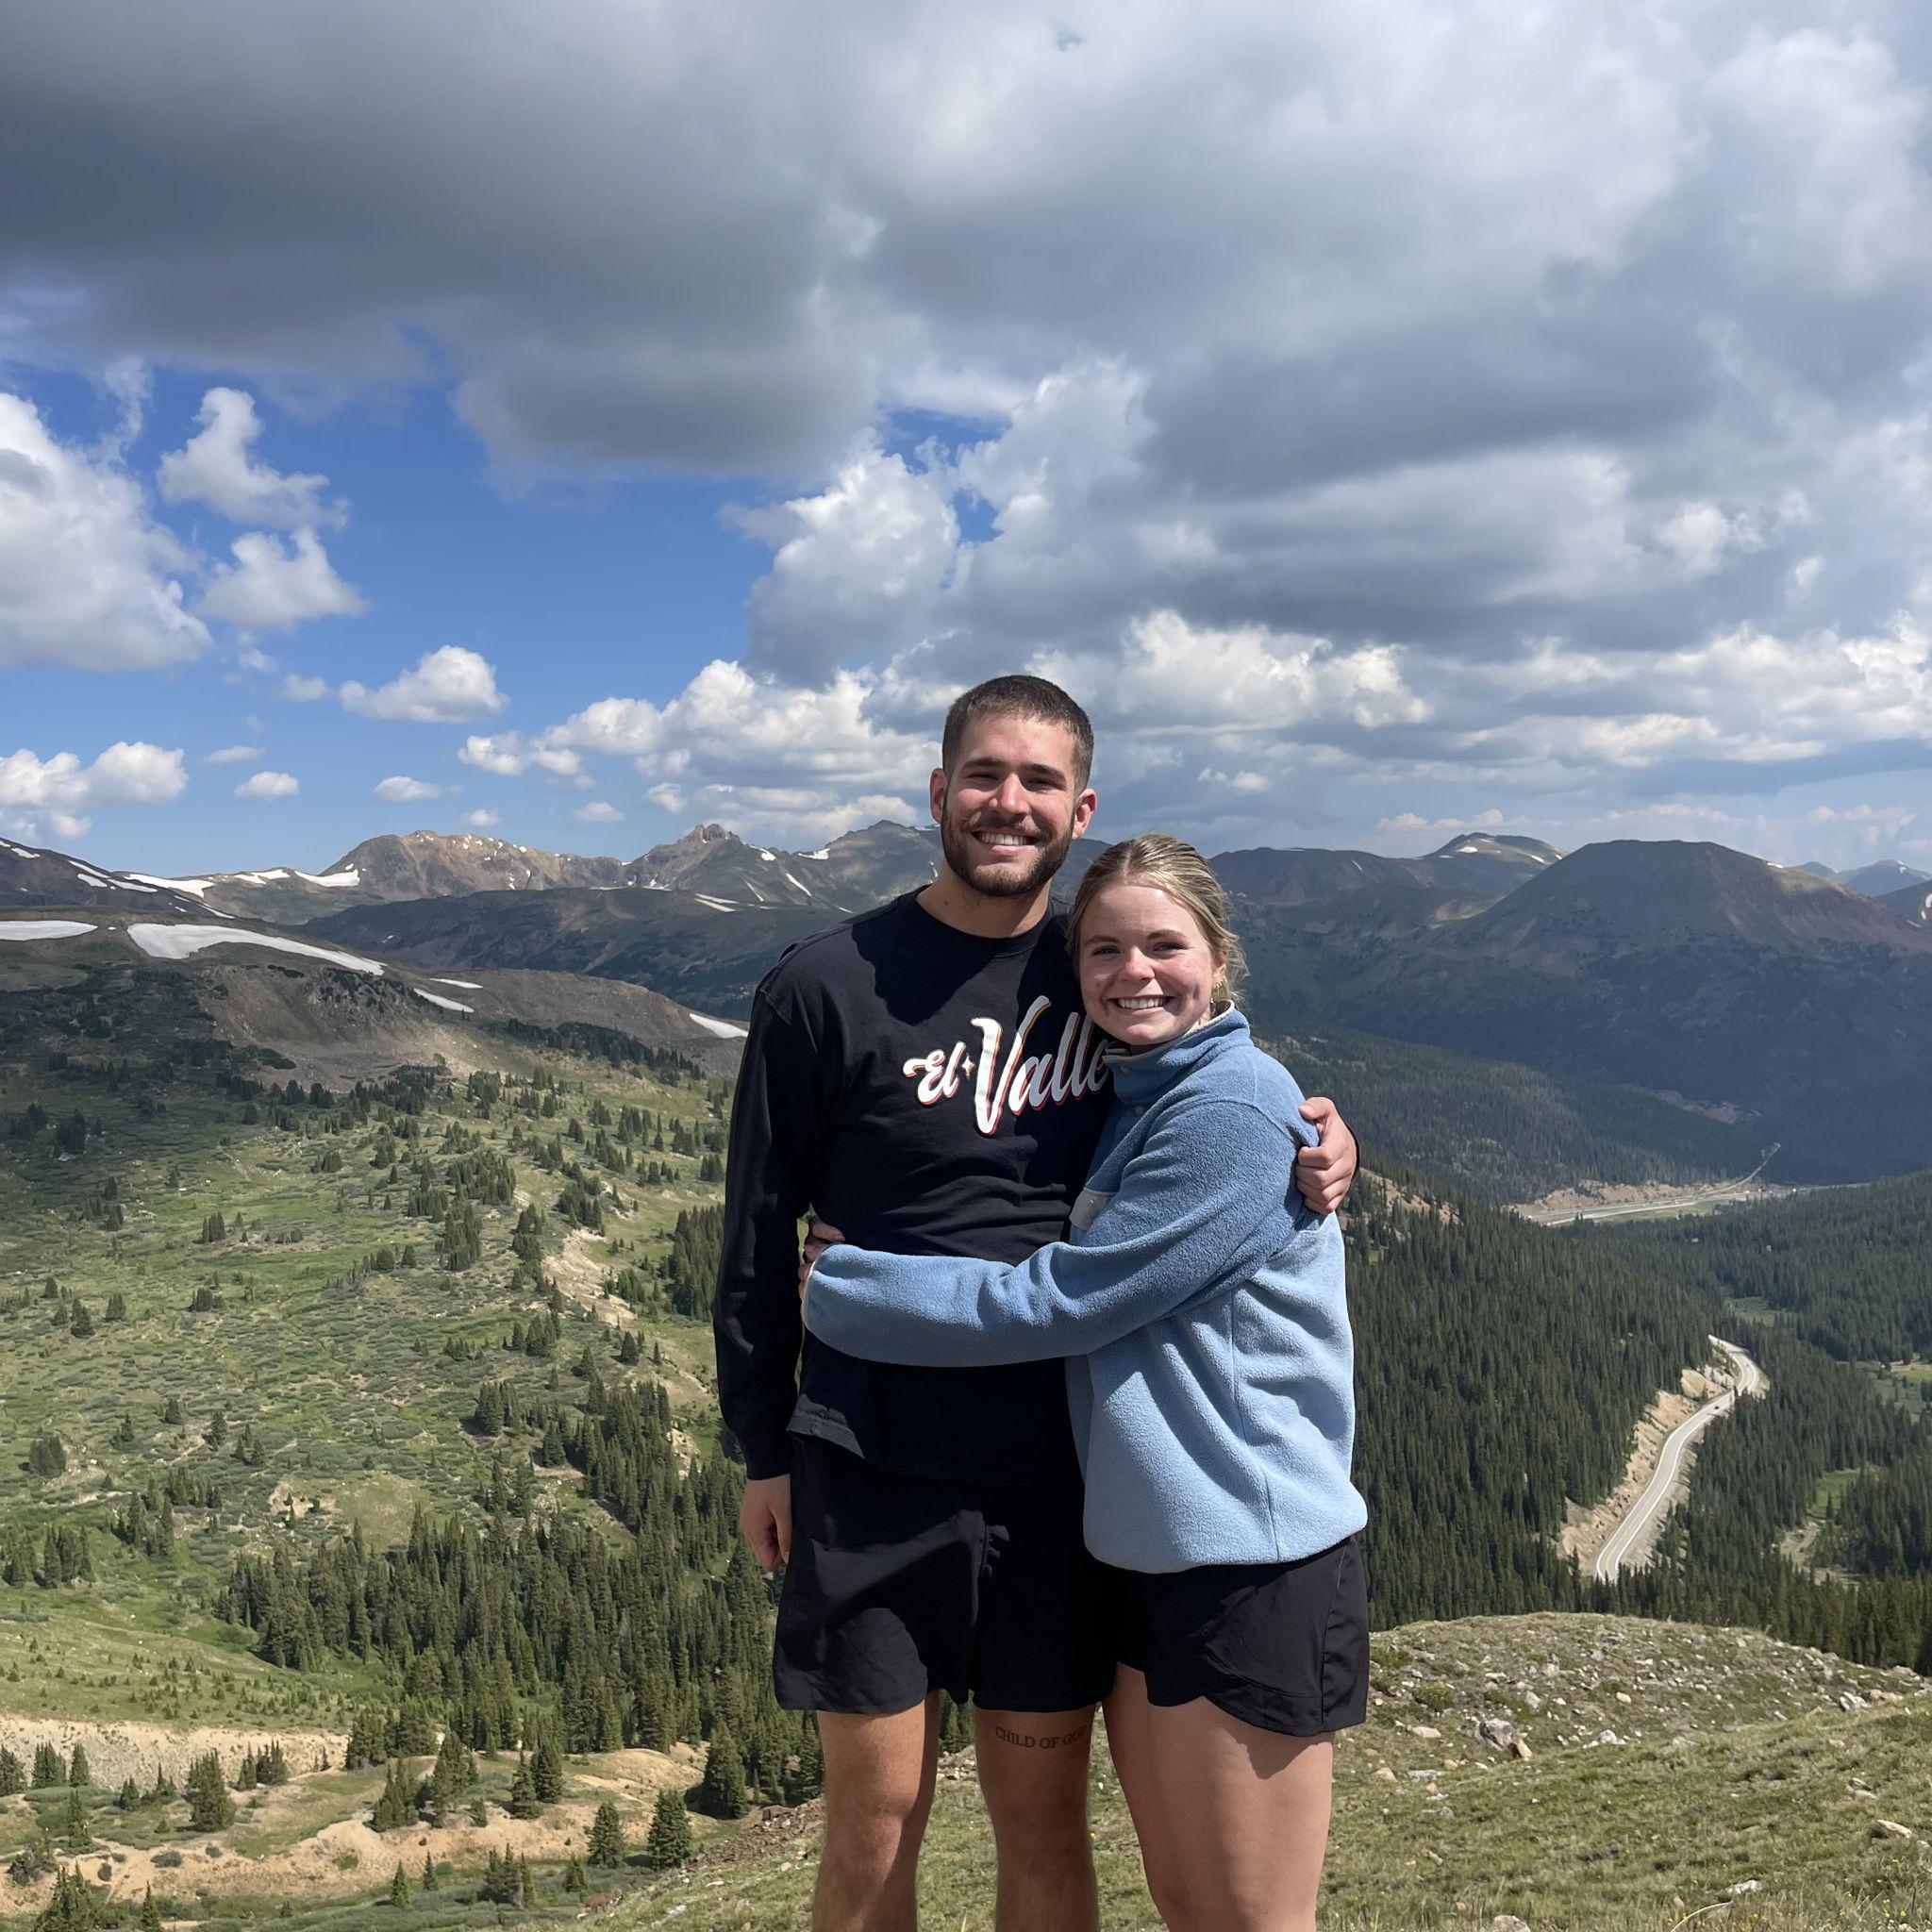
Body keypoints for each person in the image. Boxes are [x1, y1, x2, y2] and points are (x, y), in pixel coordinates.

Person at [714, 677, 1357, 1932]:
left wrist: (1323, 1138)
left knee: (1044, 1821)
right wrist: (763, 1447)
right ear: (938, 790)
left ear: (1081, 809)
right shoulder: (823, 986)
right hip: (867, 1457)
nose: (1007, 803)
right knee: (872, 1826)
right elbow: (752, 1232)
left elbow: (1208, 1074)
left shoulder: (1091, 968)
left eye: (1039, 782)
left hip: (1060, 1481)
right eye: (984, 775)